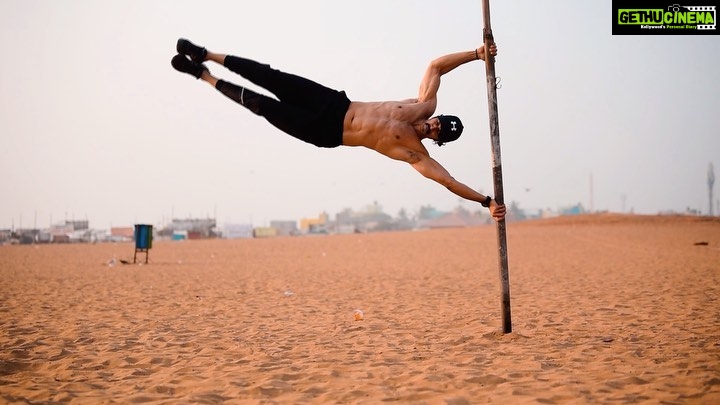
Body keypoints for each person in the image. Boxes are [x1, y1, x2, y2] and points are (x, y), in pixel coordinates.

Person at [171, 39, 506, 221]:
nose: (433, 126)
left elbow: (448, 181)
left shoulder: (415, 154)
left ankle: (202, 76)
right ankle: (207, 55)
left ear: (437, 140)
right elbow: (436, 66)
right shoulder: (423, 104)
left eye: (437, 132)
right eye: (438, 122)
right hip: (333, 103)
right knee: (271, 76)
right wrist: (476, 54)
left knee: (262, 106)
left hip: (324, 132)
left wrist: (486, 201)